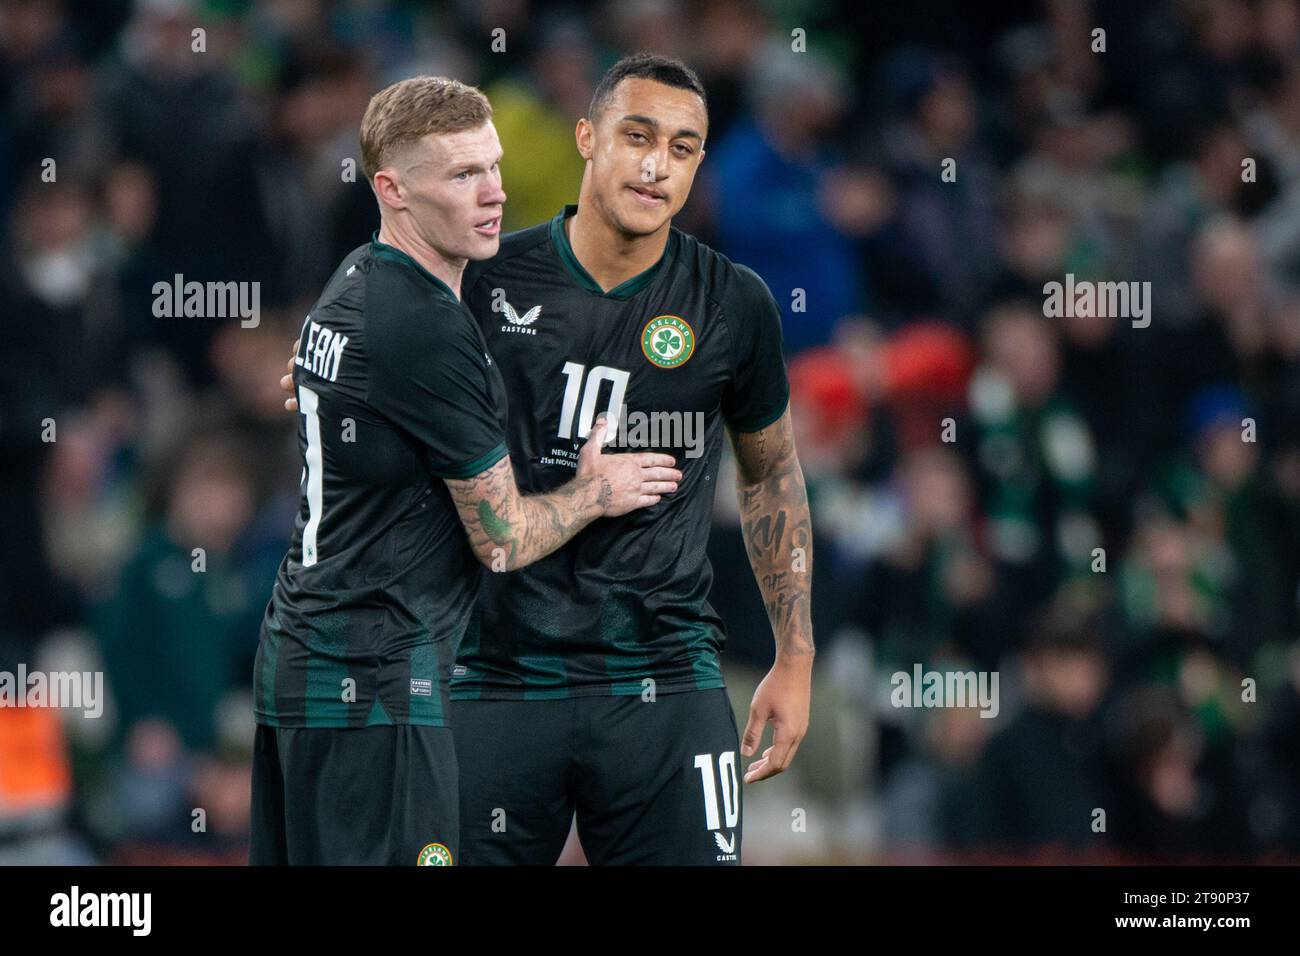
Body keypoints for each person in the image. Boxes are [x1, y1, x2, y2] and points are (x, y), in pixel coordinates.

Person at [283, 54, 815, 866]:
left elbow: (771, 471)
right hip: (488, 675)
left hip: (665, 677)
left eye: (682, 147)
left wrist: (796, 655)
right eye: (636, 136)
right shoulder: (480, 281)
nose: (654, 164)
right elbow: (382, 349)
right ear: (587, 138)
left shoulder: (734, 303)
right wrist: (334, 380)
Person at [251, 75, 680, 866]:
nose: (493, 193)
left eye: (493, 165)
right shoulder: (422, 328)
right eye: (461, 174)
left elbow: (352, 384)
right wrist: (598, 490)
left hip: (309, 665)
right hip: (372, 681)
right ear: (392, 190)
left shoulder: (357, 277)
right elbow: (504, 539)